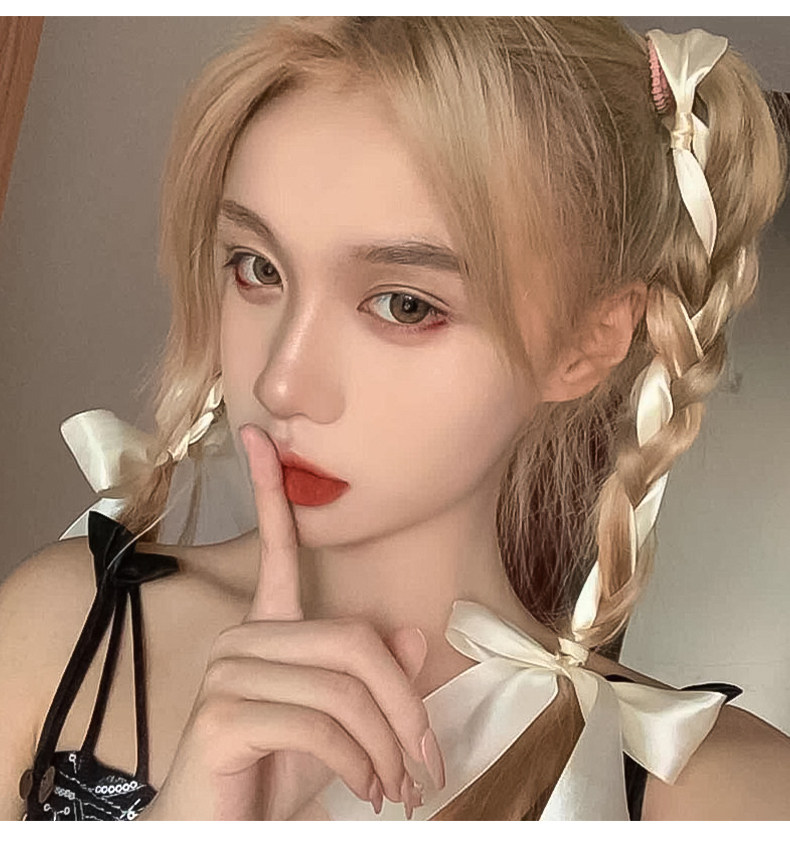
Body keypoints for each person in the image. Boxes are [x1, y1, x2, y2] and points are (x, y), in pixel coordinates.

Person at [1, 16, 789, 821]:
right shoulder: (57, 630)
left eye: (405, 304)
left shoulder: (726, 794)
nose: (281, 381)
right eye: (258, 268)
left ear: (586, 343)